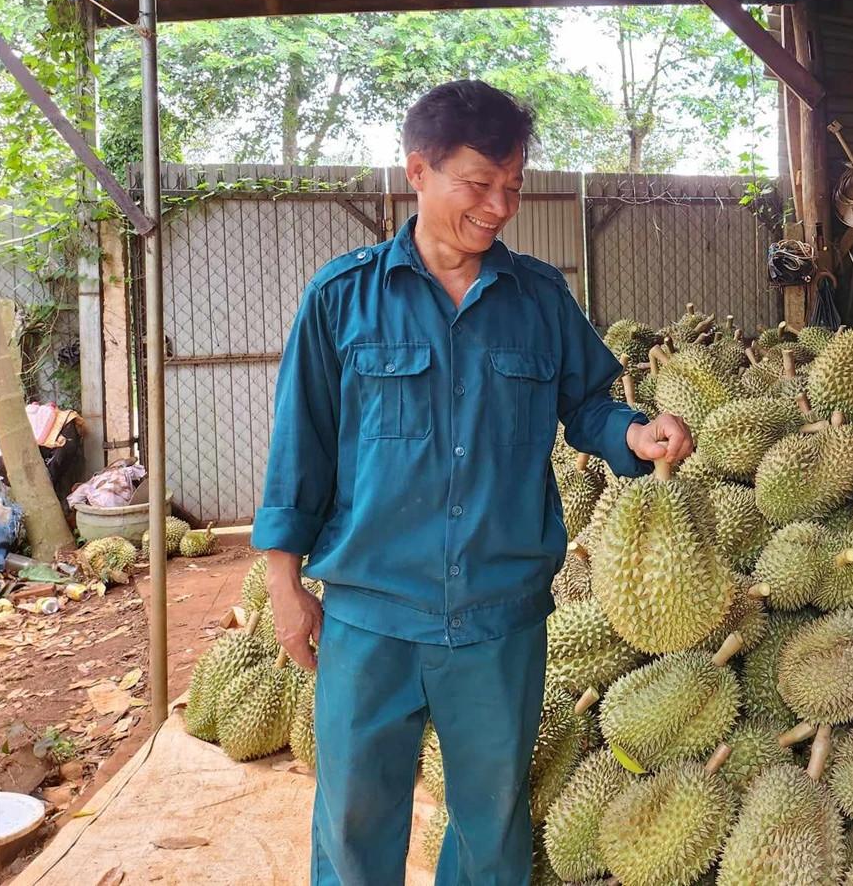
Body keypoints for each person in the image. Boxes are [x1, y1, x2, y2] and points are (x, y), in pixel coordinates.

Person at [251, 80, 692, 885]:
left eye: (514, 185)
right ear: (418, 170)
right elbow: (298, 451)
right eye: (479, 183)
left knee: (490, 826)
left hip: (498, 616)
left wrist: (634, 433)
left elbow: (587, 405)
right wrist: (285, 586)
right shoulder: (342, 299)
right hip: (372, 613)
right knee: (353, 823)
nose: (500, 206)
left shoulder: (539, 298)